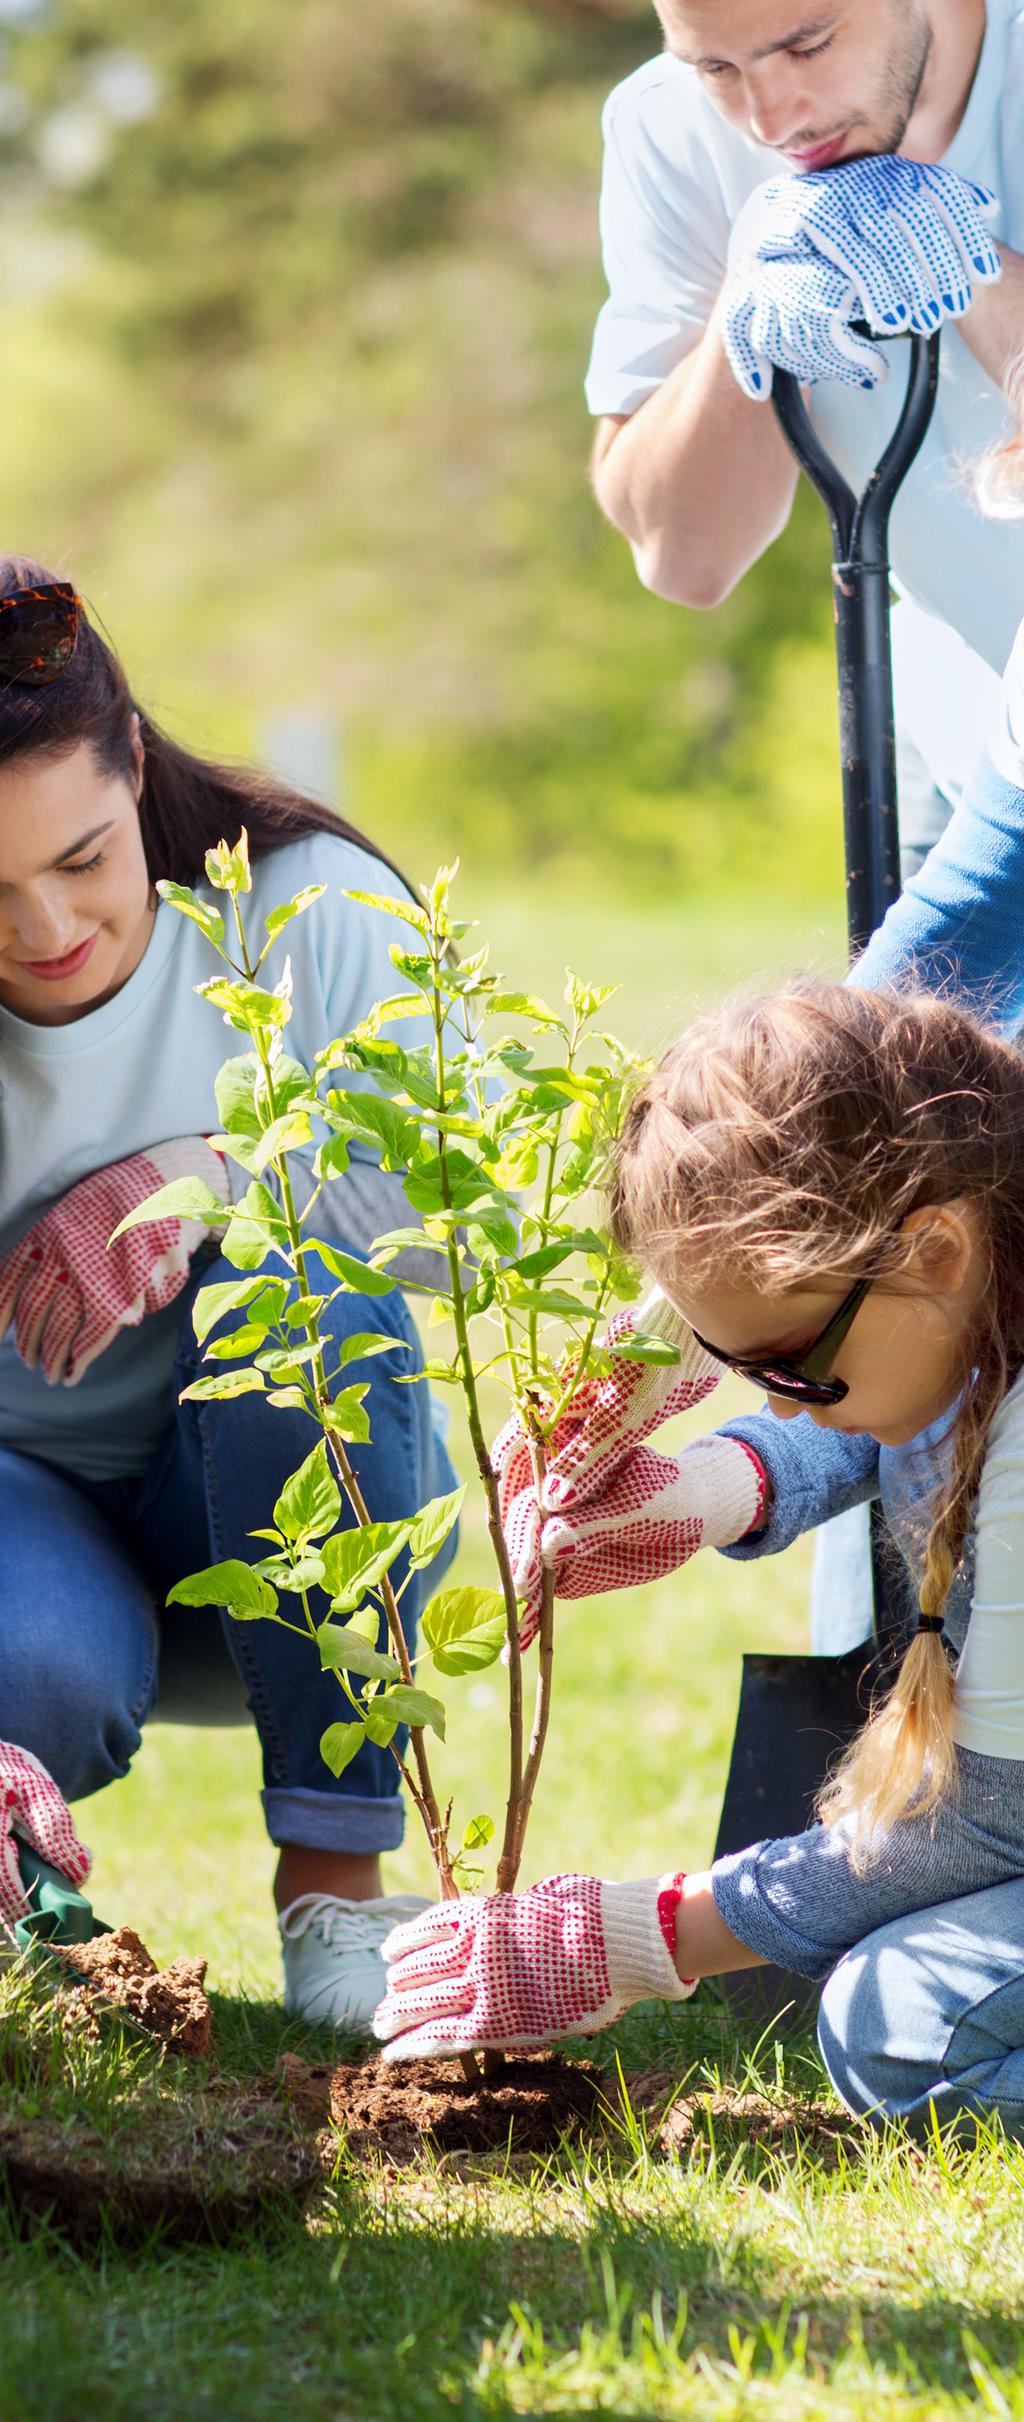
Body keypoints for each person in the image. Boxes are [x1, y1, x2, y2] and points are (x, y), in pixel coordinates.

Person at [375, 975, 1024, 2139]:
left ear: (932, 1249)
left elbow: (991, 1822)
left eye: (788, 1368)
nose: (788, 1404)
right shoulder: (970, 1237)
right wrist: (696, 1491)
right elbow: (908, 1404)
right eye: (744, 1370)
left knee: (901, 2028)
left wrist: (637, 1934)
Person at [587, 0, 1024, 1648]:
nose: (766, 109)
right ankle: (940, 1694)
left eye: (802, 43)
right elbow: (680, 549)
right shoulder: (681, 133)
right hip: (966, 761)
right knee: (949, 1233)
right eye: (713, 68)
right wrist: (749, 296)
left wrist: (971, 274)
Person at [0, 559, 459, 2029]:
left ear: (135, 762)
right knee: (32, 1671)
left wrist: (208, 1171)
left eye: (82, 857)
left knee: (303, 1296)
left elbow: (464, 1214)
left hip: (293, 1510)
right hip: (29, 1520)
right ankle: (29, 1890)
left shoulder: (305, 909)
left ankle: (334, 1899)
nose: (48, 931)